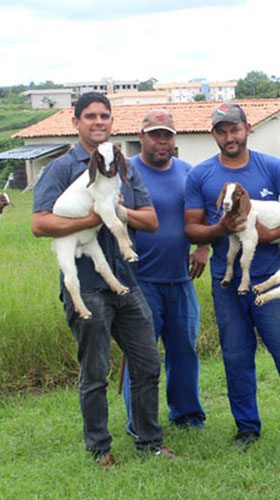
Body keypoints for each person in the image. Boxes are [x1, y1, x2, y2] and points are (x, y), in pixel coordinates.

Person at [31, 92, 174, 468]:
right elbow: (40, 223)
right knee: (95, 372)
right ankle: (99, 450)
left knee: (147, 362)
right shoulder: (61, 169)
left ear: (113, 123)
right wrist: (91, 219)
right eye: (90, 116)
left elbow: (151, 220)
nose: (98, 122)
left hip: (126, 281)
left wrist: (117, 209)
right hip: (88, 286)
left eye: (105, 116)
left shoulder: (124, 167)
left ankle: (149, 441)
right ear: (75, 122)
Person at [184, 102, 280, 457]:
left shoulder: (271, 168)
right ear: (213, 134)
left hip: (272, 282)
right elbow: (191, 226)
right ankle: (247, 428)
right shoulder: (201, 175)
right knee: (236, 358)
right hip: (227, 283)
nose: (229, 136)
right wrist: (216, 230)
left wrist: (272, 235)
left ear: (247, 128)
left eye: (234, 129)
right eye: (222, 130)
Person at [121, 109, 209, 432]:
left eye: (167, 135)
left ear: (175, 139)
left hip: (181, 279)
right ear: (141, 137)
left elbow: (204, 217)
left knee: (184, 350)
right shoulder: (124, 171)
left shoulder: (189, 173)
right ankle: (140, 422)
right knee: (142, 355)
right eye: (155, 134)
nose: (162, 141)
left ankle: (187, 414)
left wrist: (203, 247)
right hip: (139, 280)